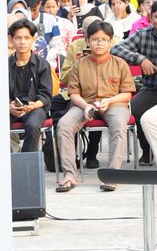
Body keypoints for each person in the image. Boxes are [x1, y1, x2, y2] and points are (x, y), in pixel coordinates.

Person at [55, 20, 135, 192]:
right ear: (88, 40)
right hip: (85, 103)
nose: (99, 43)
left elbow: (127, 93)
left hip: (114, 104)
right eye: (95, 39)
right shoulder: (79, 64)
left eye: (104, 40)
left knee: (119, 126)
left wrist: (110, 101)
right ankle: (69, 174)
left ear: (110, 41)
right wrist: (85, 106)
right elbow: (73, 93)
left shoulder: (120, 63)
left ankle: (112, 175)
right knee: (64, 125)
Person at [111, 0, 157, 166]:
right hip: (154, 88)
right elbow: (116, 49)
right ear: (150, 18)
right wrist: (141, 59)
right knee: (136, 107)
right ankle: (147, 150)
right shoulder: (143, 34)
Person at [7, 20, 53, 153]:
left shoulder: (42, 64)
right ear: (11, 39)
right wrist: (9, 106)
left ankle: (26, 163)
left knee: (33, 126)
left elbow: (45, 95)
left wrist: (32, 106)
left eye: (27, 38)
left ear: (34, 39)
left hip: (35, 107)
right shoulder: (4, 65)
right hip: (11, 107)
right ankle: (7, 162)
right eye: (18, 38)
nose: (22, 42)